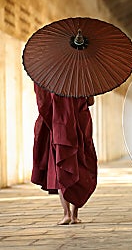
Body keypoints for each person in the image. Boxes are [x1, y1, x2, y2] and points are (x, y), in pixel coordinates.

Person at [31, 84, 98, 225]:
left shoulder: (48, 79)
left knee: (61, 167)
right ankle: (74, 215)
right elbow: (90, 101)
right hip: (79, 126)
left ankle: (66, 214)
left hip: (58, 127)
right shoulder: (81, 77)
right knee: (80, 165)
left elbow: (43, 103)